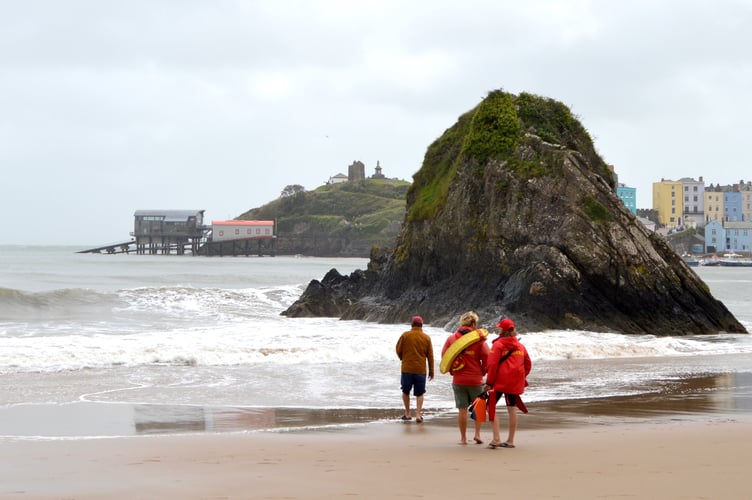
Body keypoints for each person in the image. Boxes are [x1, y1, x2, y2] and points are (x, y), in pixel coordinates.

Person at [441, 311, 489, 444]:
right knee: (479, 408)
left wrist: (452, 371)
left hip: (459, 380)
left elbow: (445, 358)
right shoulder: (479, 340)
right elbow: (487, 358)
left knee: (462, 410)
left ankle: (463, 439)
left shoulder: (451, 339)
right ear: (474, 324)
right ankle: (477, 435)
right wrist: (483, 371)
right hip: (475, 380)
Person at [484, 317, 531, 449]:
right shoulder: (521, 346)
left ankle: (496, 438)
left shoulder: (498, 345)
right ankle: (510, 441)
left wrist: (489, 382)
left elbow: (492, 365)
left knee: (490, 406)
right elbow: (527, 364)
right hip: (514, 382)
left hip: (499, 382)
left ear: (502, 330)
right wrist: (521, 377)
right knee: (512, 408)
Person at [395, 315, 435, 423]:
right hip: (420, 370)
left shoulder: (405, 335)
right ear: (421, 325)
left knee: (405, 391)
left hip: (407, 369)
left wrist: (403, 358)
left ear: (412, 324)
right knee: (420, 393)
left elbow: (398, 349)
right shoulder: (426, 338)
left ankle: (407, 414)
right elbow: (430, 356)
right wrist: (431, 371)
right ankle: (418, 414)